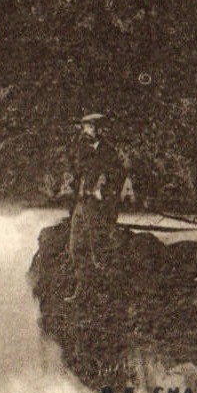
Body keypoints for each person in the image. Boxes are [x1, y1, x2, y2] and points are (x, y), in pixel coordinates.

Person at [66, 113, 124, 297]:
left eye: (90, 127)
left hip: (98, 207)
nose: (86, 131)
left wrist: (104, 192)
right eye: (84, 127)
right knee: (76, 247)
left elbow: (118, 177)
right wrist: (72, 181)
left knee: (99, 248)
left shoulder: (109, 152)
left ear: (100, 129)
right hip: (81, 204)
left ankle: (105, 292)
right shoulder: (82, 150)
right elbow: (75, 173)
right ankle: (83, 289)